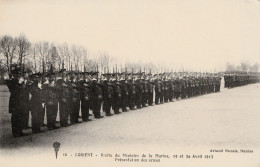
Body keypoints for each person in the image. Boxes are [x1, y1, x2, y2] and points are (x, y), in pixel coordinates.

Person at [5, 65, 28, 137]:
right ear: (13, 74)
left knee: (21, 116)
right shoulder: (10, 81)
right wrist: (19, 84)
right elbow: (14, 91)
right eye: (16, 73)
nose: (18, 75)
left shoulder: (20, 81)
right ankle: (15, 132)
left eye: (19, 73)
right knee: (15, 117)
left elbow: (24, 90)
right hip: (15, 101)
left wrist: (23, 85)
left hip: (21, 101)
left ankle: (20, 131)